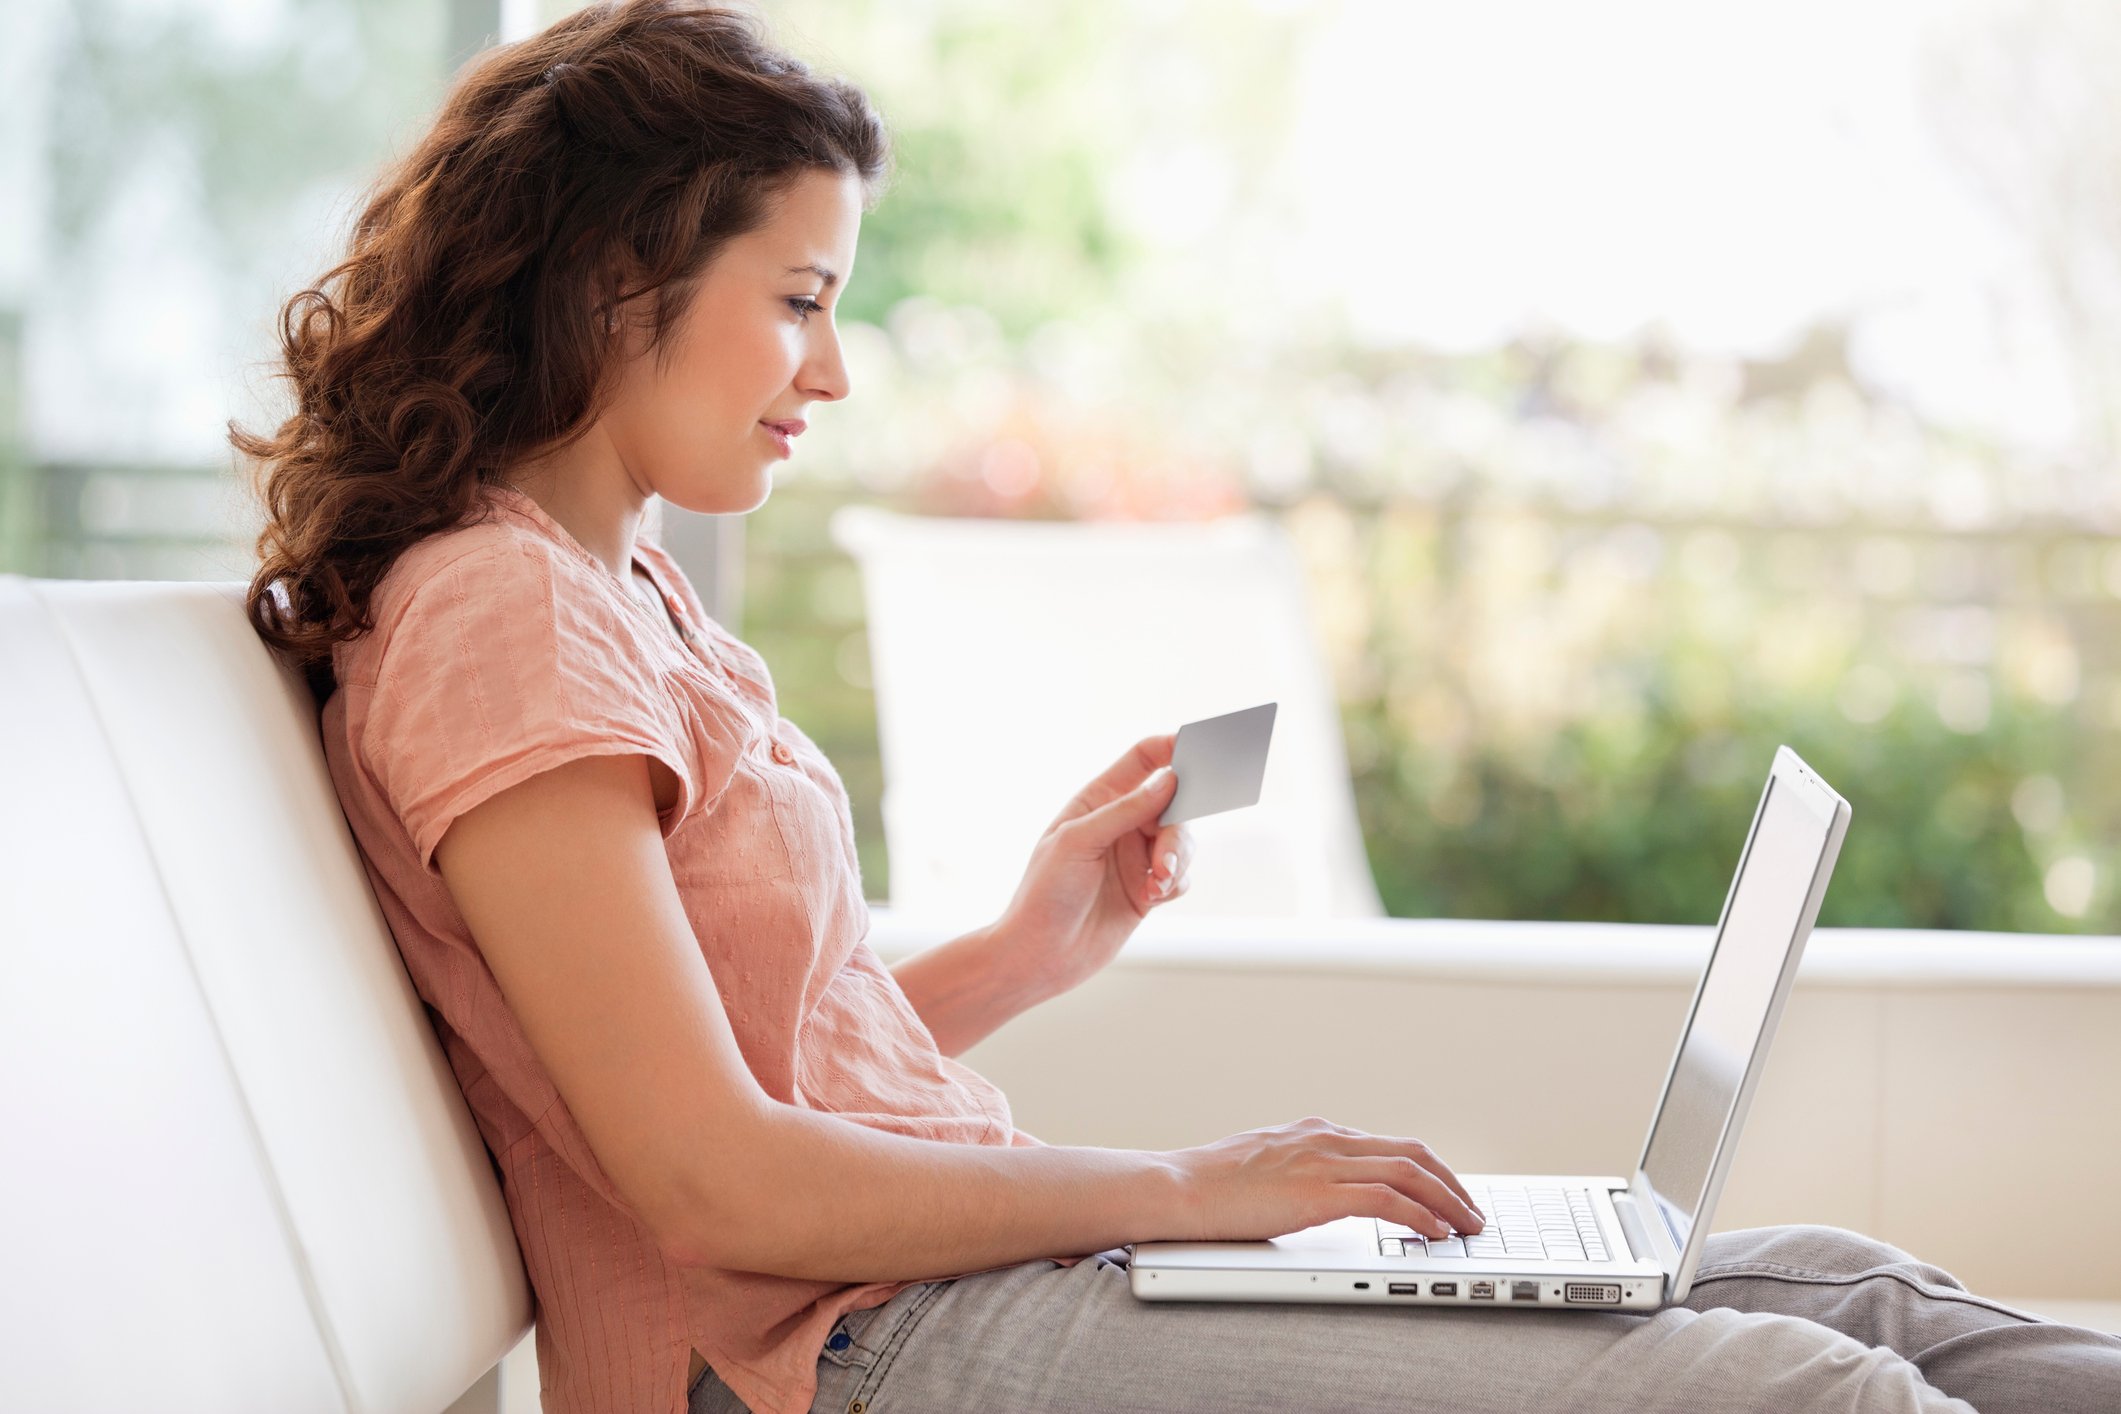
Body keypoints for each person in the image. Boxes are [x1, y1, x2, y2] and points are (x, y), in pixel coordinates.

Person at [234, 3, 2121, 1412]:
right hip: (824, 1354)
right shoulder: (500, 617)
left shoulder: (616, 591)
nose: (835, 367)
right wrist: (1193, 1188)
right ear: (610, 278)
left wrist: (1023, 953)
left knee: (1859, 1297)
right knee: (1802, 1392)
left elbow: (733, 1058)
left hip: (908, 1288)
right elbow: (705, 1174)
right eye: (799, 298)